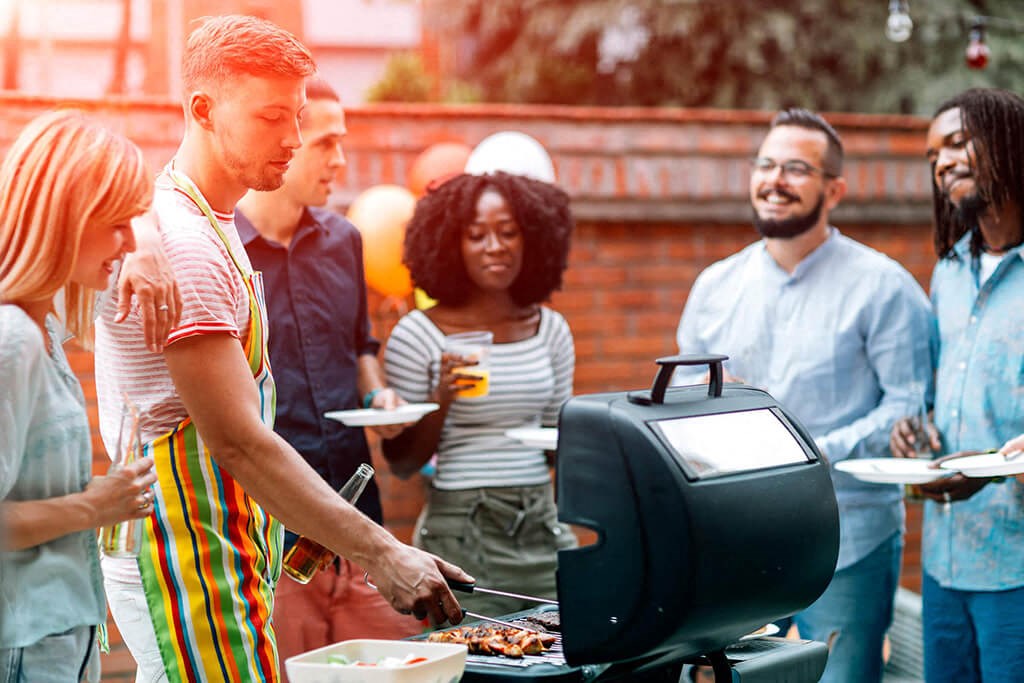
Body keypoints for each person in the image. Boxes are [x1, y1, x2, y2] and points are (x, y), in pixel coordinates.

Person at [93, 15, 468, 682]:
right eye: (272, 116)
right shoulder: (183, 241)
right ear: (202, 110)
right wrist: (382, 553)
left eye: (298, 115)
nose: (293, 139)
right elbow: (239, 442)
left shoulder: (201, 220)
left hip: (216, 545)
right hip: (183, 552)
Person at [673, 108, 933, 683]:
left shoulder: (884, 287)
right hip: (736, 539)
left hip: (850, 538)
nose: (775, 179)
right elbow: (685, 408)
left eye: (796, 168)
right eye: (766, 164)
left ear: (834, 189)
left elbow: (907, 408)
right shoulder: (715, 287)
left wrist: (798, 450)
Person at [235, 76, 423, 672]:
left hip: (364, 527)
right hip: (274, 540)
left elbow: (359, 345)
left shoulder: (346, 241)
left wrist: (380, 394)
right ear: (281, 138)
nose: (339, 161)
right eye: (326, 143)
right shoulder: (223, 252)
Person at [0, 109, 159, 682]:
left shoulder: (42, 328)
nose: (130, 243)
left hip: (59, 636)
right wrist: (99, 504)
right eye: (118, 224)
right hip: (23, 644)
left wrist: (141, 252)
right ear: (66, 219)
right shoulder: (13, 338)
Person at [382, 171, 577, 615]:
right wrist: (442, 398)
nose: (495, 247)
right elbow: (403, 462)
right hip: (461, 528)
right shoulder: (419, 334)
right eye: (476, 235)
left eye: (508, 233)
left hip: (540, 523)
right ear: (452, 245)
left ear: (533, 241)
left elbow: (555, 445)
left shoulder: (551, 331)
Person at [890, 87, 1024, 683]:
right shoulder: (948, 272)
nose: (942, 162)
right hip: (945, 560)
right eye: (932, 156)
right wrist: (915, 438)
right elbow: (937, 388)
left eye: (956, 142)